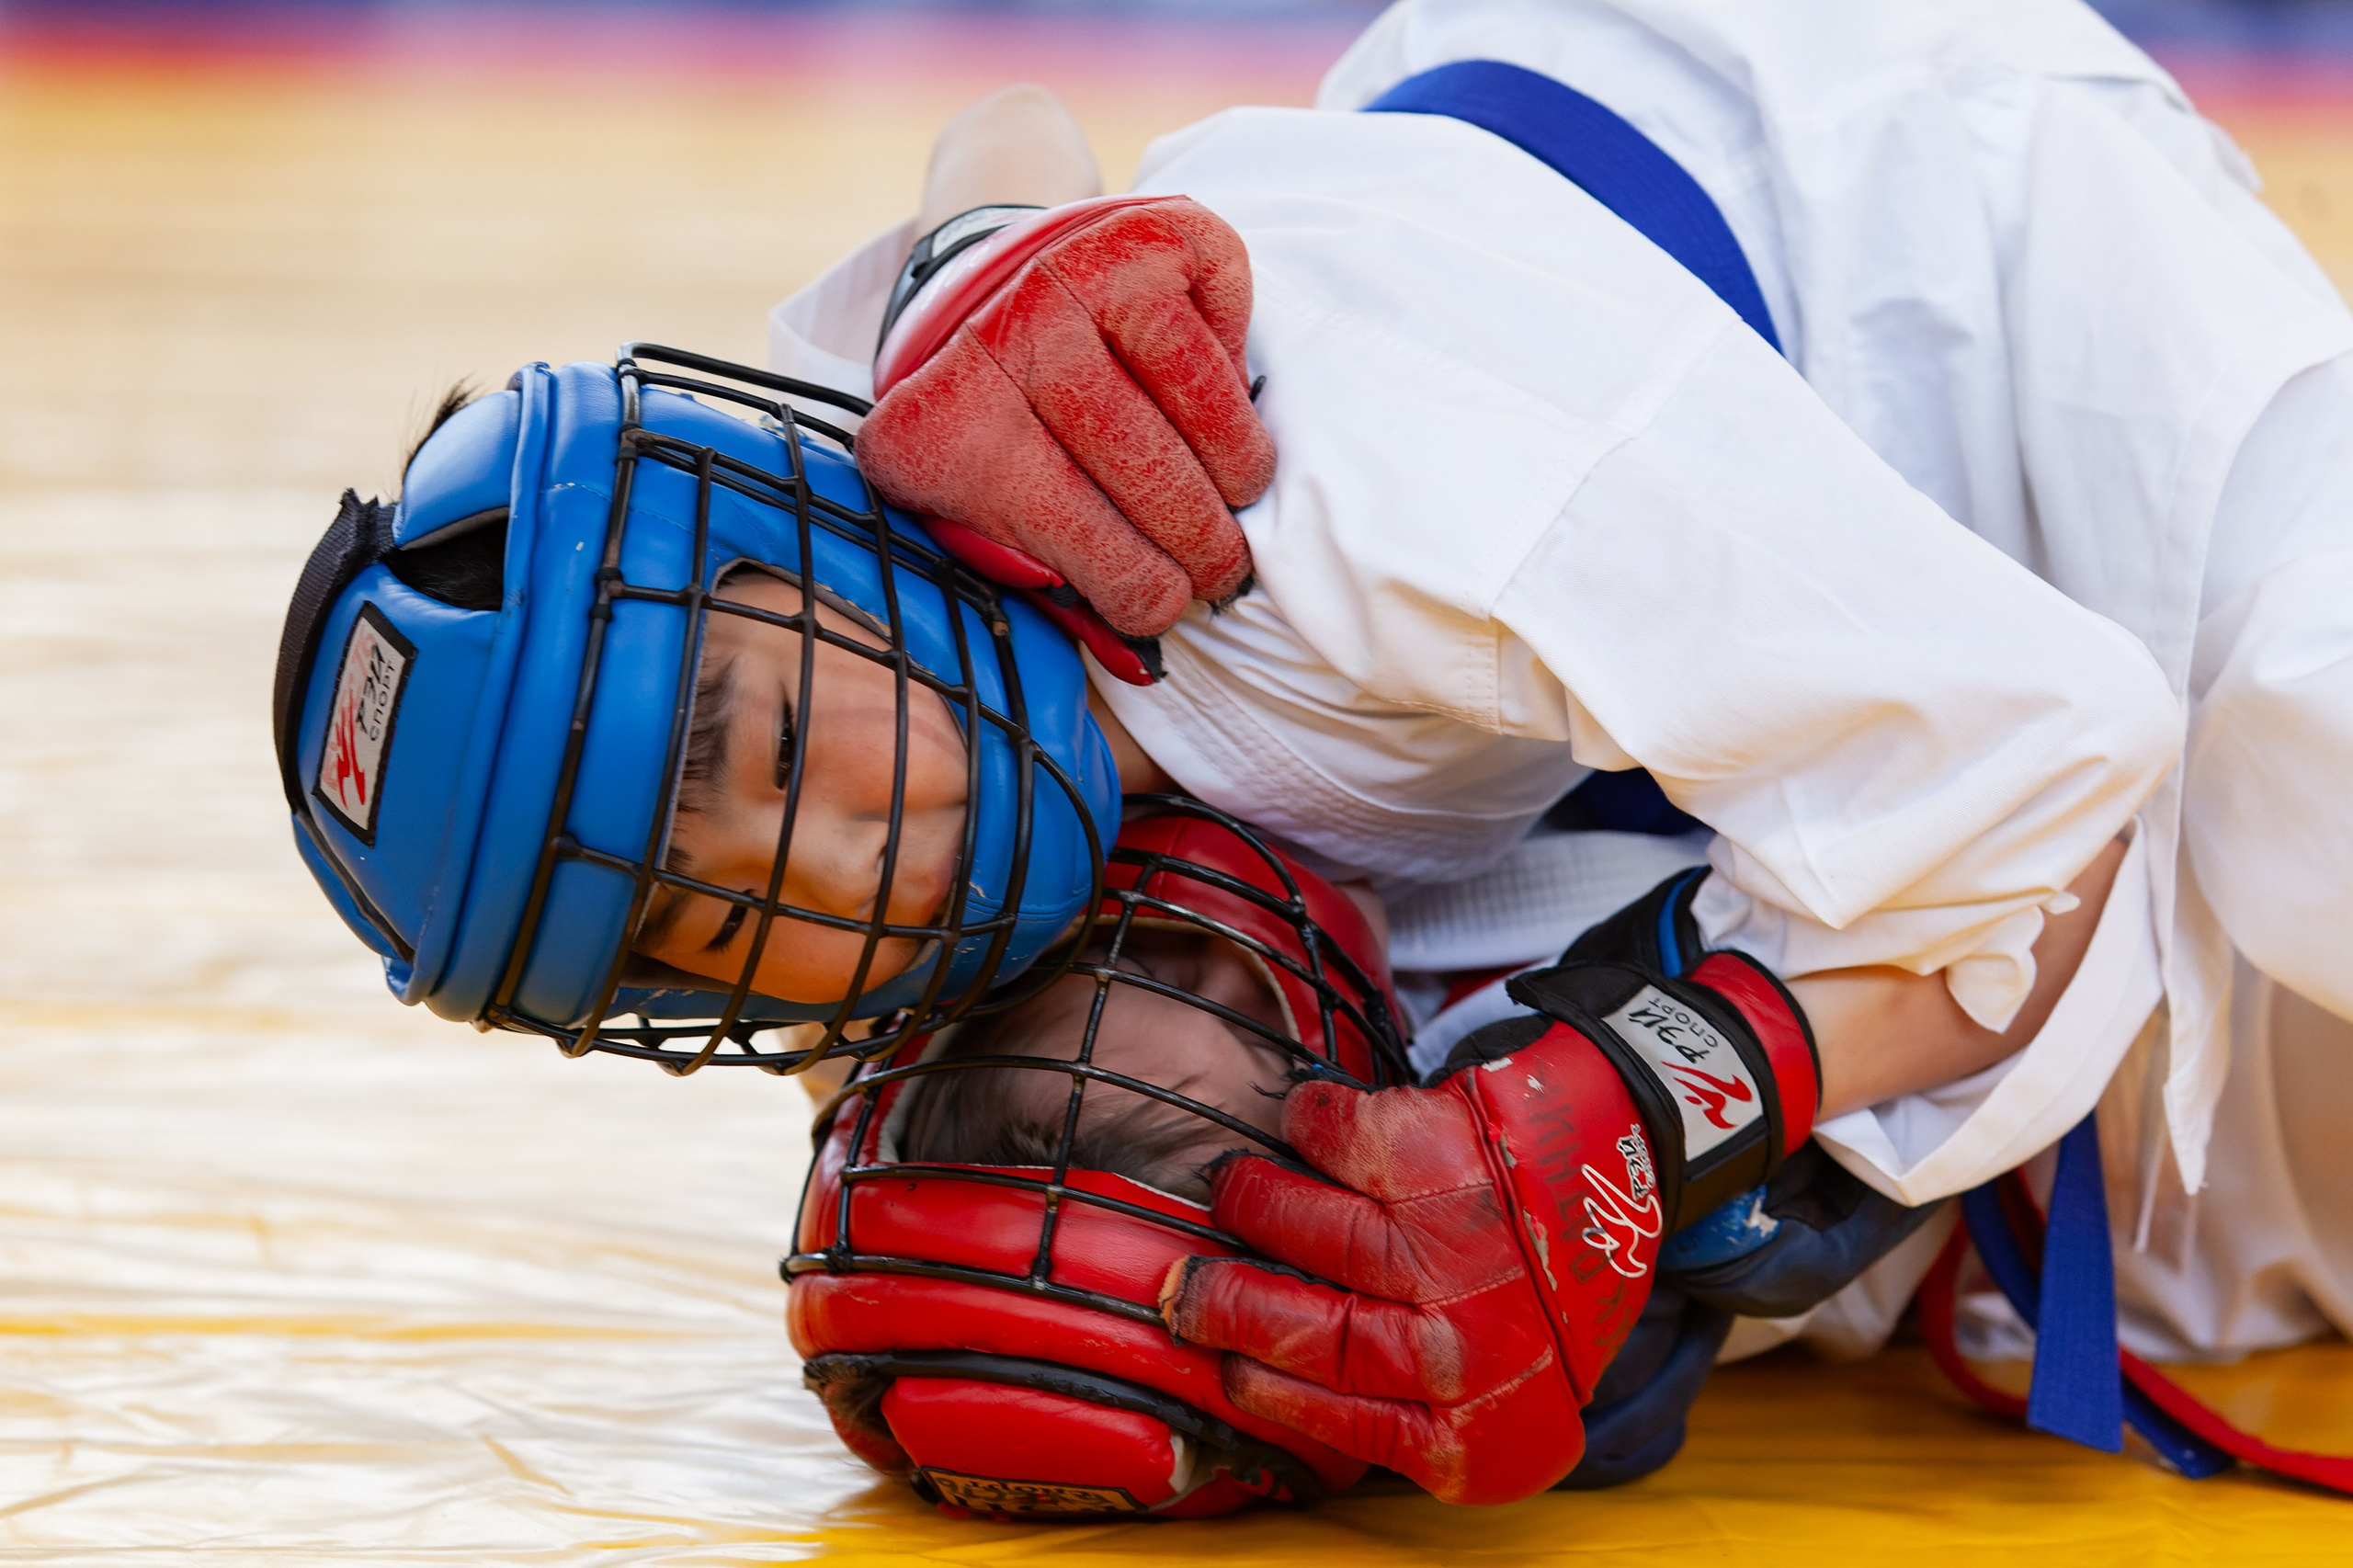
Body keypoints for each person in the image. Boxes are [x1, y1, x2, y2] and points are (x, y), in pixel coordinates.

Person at [769, 0, 2353, 1500]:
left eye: (1147, 981)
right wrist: (1649, 1207)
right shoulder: (1420, 1133)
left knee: (2316, 759)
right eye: (1249, 1091)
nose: (1205, 957)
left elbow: (1010, 121)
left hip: (1870, 200)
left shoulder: (1068, 575)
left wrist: (994, 241)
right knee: (2161, 1242)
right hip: (1887, 670)